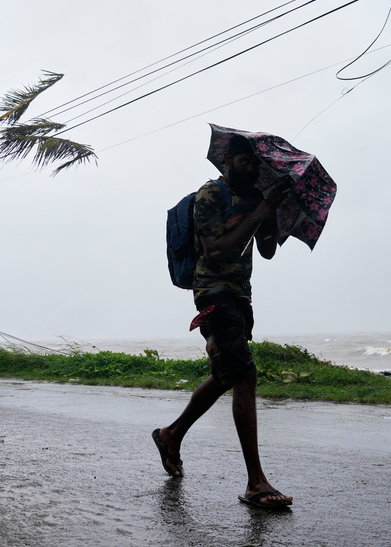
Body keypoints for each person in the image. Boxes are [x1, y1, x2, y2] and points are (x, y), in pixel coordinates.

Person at [152, 134, 294, 509]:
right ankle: (256, 483)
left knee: (225, 375)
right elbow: (214, 251)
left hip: (241, 296)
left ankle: (171, 434)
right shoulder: (209, 196)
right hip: (213, 293)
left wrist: (271, 212)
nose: (251, 167)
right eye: (244, 161)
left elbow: (265, 251)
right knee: (245, 375)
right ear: (227, 160)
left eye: (255, 163)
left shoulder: (252, 200)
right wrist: (258, 214)